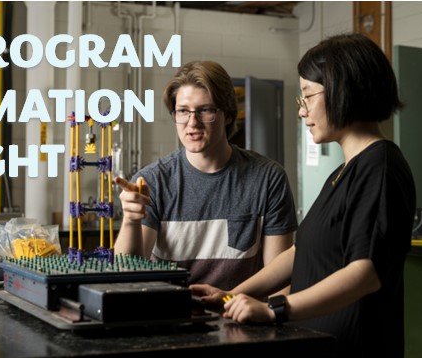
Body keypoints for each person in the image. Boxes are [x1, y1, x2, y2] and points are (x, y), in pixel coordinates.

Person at [190, 33, 416, 358]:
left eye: (308, 96)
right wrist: (230, 294)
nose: (301, 111)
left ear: (343, 90)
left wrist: (275, 310)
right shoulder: (344, 172)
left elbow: (365, 273)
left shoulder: (379, 168)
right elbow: (300, 253)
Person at [113, 61, 298, 291]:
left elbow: (278, 282)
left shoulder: (267, 179)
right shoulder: (153, 181)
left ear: (228, 115)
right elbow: (127, 276)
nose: (192, 123)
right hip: (170, 319)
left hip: (241, 319)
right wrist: (131, 220)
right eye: (182, 111)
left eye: (205, 110)